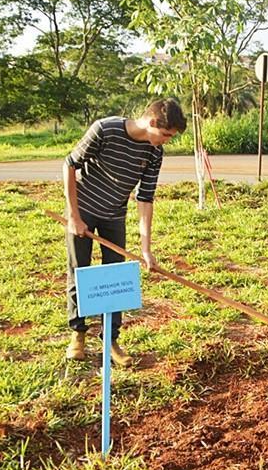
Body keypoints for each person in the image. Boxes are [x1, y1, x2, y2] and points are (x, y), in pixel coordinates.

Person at [63, 99, 186, 365]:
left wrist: (145, 249)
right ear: (152, 122)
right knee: (79, 272)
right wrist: (73, 216)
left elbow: (145, 198)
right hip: (82, 209)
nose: (166, 141)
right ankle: (78, 334)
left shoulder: (155, 152)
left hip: (114, 215)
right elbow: (70, 164)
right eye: (165, 134)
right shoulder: (104, 130)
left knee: (113, 278)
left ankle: (110, 340)